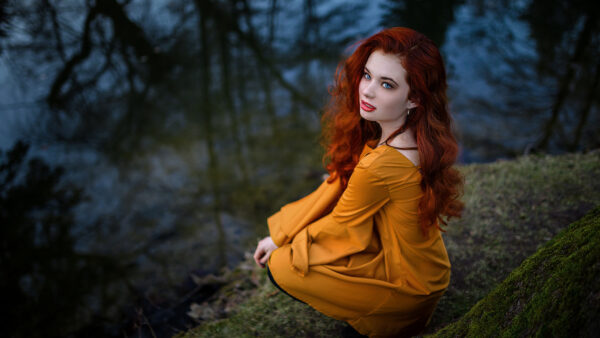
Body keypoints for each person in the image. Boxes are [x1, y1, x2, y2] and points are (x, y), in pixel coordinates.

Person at [253, 27, 464, 337]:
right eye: (367, 75)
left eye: (387, 84)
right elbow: (343, 186)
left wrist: (280, 241)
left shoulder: (383, 162)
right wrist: (285, 231)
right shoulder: (417, 137)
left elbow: (339, 226)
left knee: (282, 265)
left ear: (414, 98)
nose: (367, 91)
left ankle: (381, 324)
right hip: (428, 272)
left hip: (409, 289)